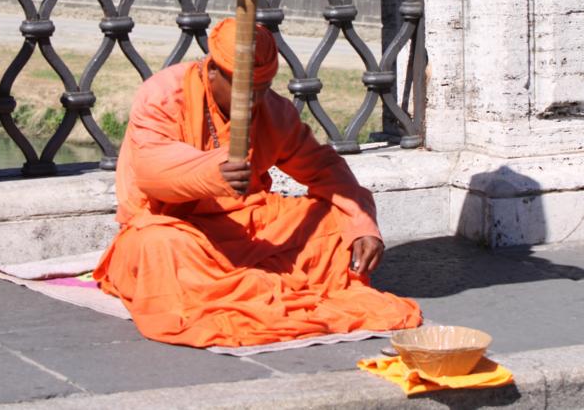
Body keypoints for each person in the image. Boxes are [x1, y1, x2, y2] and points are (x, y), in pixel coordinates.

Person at [93, 19, 421, 347]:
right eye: (241, 89)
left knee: (333, 221)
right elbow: (150, 171)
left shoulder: (271, 110)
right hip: (174, 227)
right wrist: (212, 173)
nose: (251, 100)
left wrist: (361, 224)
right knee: (159, 249)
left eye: (261, 89)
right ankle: (258, 285)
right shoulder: (164, 94)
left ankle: (251, 285)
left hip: (248, 224)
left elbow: (324, 168)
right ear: (212, 71)